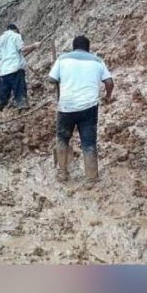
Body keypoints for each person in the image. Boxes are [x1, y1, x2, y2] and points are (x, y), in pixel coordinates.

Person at [47, 35, 114, 184]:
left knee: (63, 138)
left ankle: (62, 173)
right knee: (89, 142)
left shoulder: (63, 59)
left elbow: (51, 79)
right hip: (89, 108)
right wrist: (108, 96)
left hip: (66, 107)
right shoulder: (97, 61)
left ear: (73, 47)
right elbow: (109, 82)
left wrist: (59, 79)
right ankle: (91, 177)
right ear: (88, 48)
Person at [0, 23, 41, 111]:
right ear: (15, 29)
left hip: (3, 71)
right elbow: (22, 49)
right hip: (15, 69)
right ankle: (22, 106)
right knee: (19, 91)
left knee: (2, 94)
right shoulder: (16, 36)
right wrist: (34, 45)